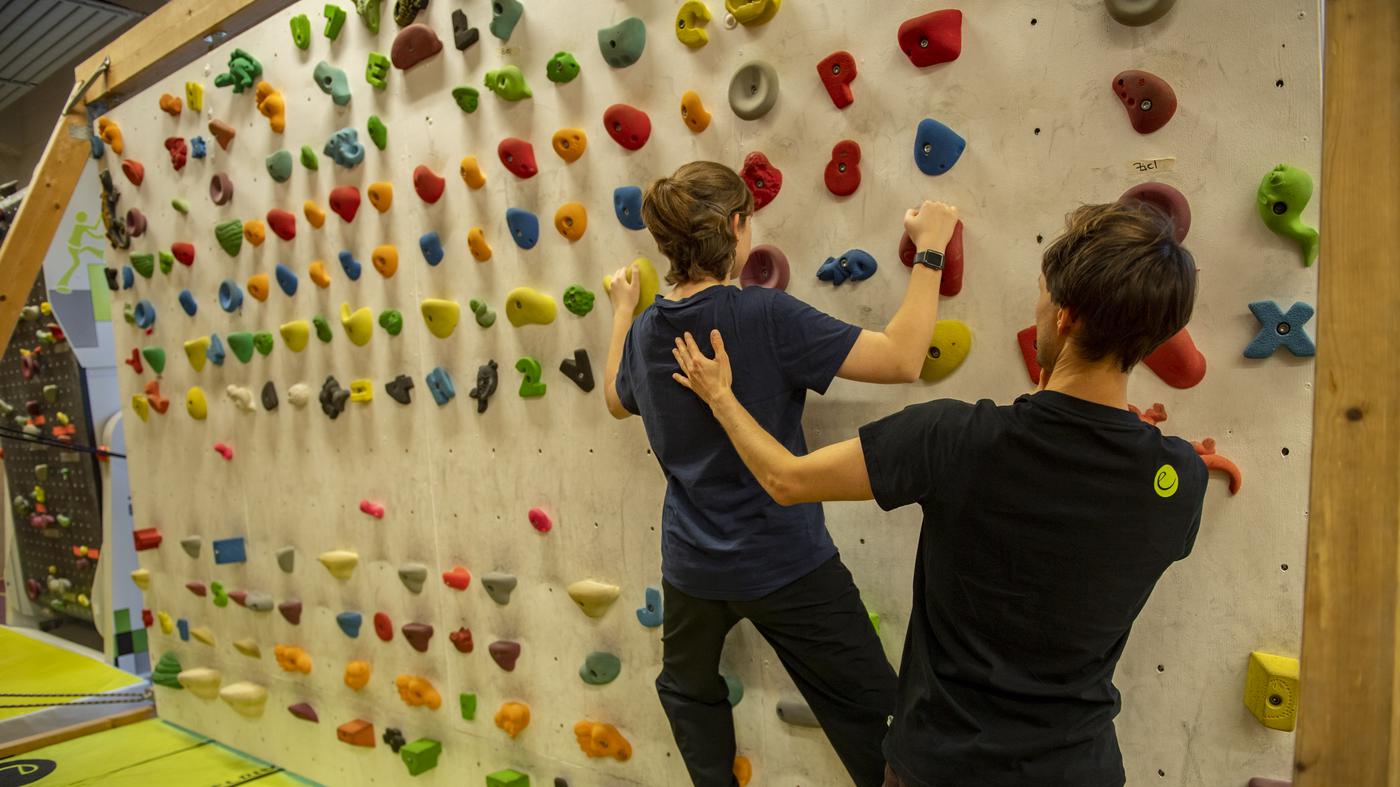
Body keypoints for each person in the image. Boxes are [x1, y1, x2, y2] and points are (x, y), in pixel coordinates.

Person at [671, 201, 1206, 787]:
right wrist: (1135, 442)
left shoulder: (953, 439)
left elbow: (785, 479)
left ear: (1066, 317)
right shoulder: (1179, 479)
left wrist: (721, 396)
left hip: (943, 766)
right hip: (1078, 769)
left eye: (1044, 294)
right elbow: (1082, 500)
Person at [603, 160, 960, 787]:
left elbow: (614, 396)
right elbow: (904, 358)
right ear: (738, 227)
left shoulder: (645, 335)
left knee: (688, 695)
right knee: (878, 721)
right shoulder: (763, 317)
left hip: (692, 568)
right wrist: (930, 250)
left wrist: (622, 310)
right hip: (786, 561)